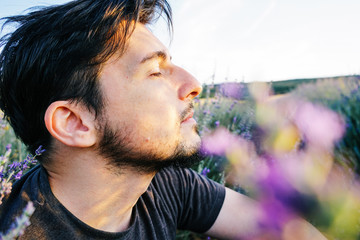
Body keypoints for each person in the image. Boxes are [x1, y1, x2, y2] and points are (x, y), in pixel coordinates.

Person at [0, 0, 325, 239]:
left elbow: (285, 230)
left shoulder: (162, 184)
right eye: (155, 72)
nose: (194, 85)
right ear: (75, 123)